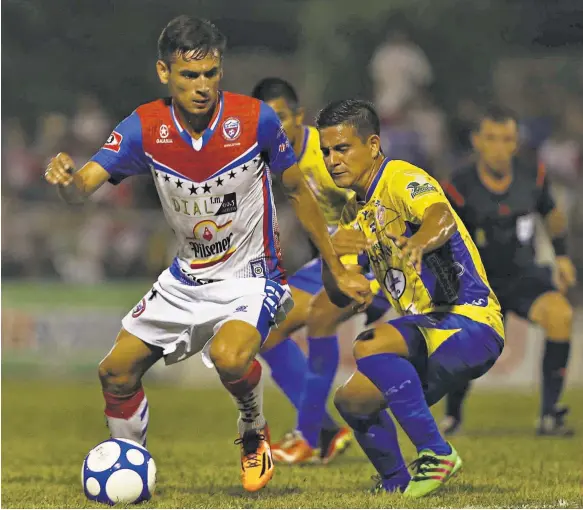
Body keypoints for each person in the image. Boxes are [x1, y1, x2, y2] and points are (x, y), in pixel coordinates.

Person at [43, 16, 371, 493]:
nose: (202, 86)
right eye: (189, 76)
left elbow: (297, 190)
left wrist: (336, 270)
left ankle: (253, 430)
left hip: (251, 274)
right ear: (164, 73)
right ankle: (131, 465)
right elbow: (83, 188)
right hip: (186, 278)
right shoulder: (144, 127)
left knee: (230, 357)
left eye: (210, 74)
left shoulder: (256, 119)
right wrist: (68, 182)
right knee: (115, 373)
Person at [316, 99, 505, 497]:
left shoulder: (400, 178)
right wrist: (332, 260)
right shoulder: (354, 213)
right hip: (429, 333)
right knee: (352, 400)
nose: (333, 160)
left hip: (469, 321)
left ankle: (437, 453)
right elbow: (340, 291)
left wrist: (419, 241)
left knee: (370, 343)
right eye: (326, 152)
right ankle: (396, 485)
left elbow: (441, 216)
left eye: (342, 148)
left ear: (372, 145)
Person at [251, 78, 391, 465]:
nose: (273, 128)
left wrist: (360, 248)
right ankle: (325, 432)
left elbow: (377, 195)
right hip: (330, 257)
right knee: (267, 333)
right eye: (265, 121)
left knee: (320, 318)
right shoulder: (270, 156)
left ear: (298, 116)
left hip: (366, 253)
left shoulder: (327, 152)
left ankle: (308, 437)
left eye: (280, 118)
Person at [440, 105, 577, 436]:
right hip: (479, 283)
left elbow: (553, 215)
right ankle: (453, 416)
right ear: (477, 141)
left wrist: (561, 257)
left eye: (507, 139)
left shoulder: (534, 175)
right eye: (492, 138)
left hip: (524, 276)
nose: (499, 147)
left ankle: (549, 416)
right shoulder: (458, 184)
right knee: (470, 353)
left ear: (516, 143)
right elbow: (441, 232)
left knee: (560, 316)